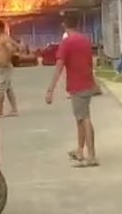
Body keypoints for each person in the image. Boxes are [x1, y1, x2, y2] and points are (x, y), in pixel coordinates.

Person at [46, 13, 99, 167]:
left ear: (64, 25)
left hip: (78, 85)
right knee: (80, 118)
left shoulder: (67, 42)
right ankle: (80, 150)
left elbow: (59, 66)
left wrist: (50, 90)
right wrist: (94, 83)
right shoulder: (85, 40)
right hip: (86, 84)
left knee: (84, 119)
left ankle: (91, 155)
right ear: (78, 24)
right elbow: (90, 63)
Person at [0, 20, 19, 117]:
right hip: (3, 67)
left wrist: (10, 53)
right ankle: (14, 110)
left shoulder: (3, 38)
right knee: (8, 89)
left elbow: (10, 47)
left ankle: (0, 112)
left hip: (4, 67)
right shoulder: (2, 38)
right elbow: (14, 44)